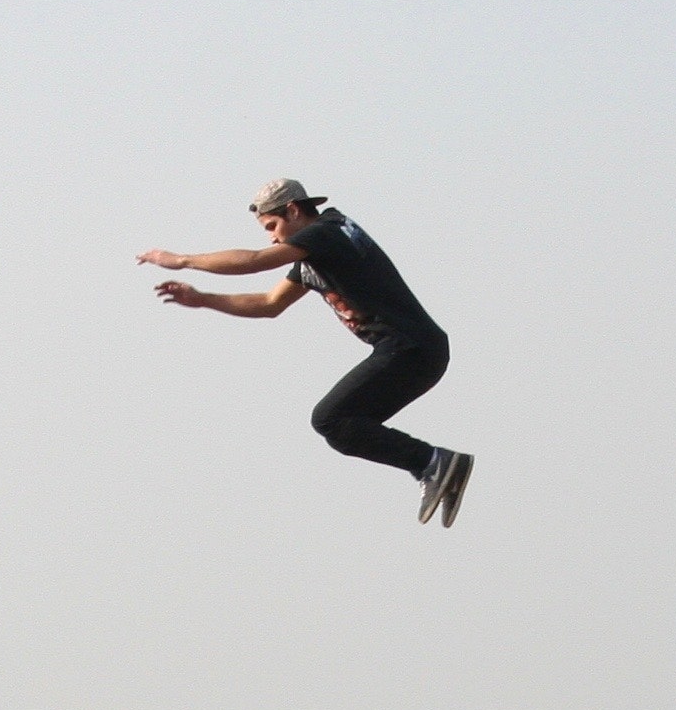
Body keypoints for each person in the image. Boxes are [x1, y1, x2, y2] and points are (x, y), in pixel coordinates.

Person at [139, 179, 473, 526]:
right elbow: (269, 303)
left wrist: (181, 260)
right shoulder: (315, 255)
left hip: (410, 348)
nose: (272, 237)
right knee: (343, 426)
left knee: (331, 419)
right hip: (418, 351)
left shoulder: (328, 231)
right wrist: (203, 299)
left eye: (273, 226)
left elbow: (255, 261)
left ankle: (433, 462)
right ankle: (432, 465)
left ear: (294, 211)